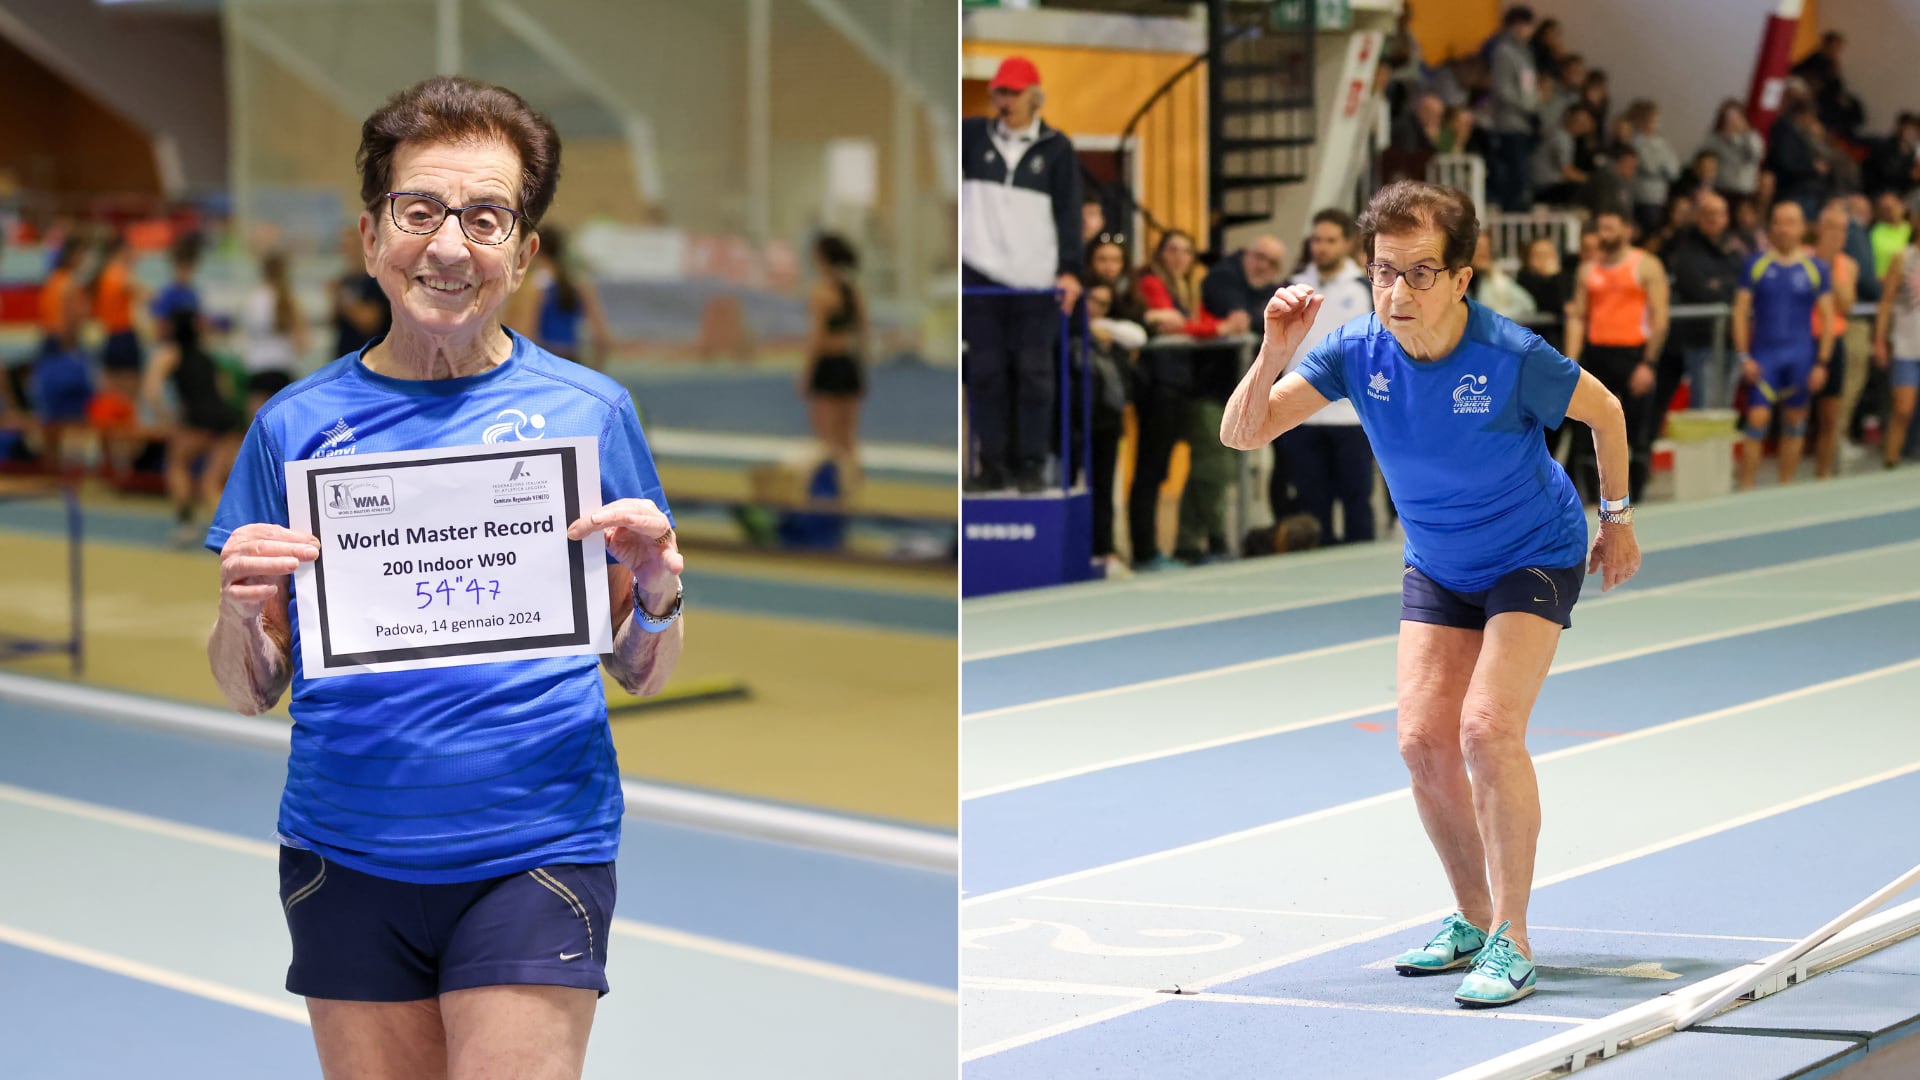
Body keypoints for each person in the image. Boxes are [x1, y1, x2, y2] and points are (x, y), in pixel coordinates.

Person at [203, 76, 684, 1080]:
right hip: (346, 847)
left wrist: (657, 592)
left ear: (523, 251)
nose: (450, 245)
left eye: (486, 216)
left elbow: (642, 671)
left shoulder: (591, 414)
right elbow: (250, 687)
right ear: (373, 236)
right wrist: (241, 613)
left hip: (537, 844)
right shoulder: (291, 430)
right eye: (420, 211)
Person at [1220, 179, 1640, 1009]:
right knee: (1421, 743)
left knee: (1486, 730)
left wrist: (1616, 520)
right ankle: (1472, 918)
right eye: (1383, 272)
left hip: (1533, 550)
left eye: (1419, 273)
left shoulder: (1511, 355)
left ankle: (1513, 941)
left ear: (1460, 278)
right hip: (1440, 562)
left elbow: (1608, 410)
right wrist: (1274, 349)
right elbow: (1245, 430)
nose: (1396, 292)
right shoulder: (1354, 350)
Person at [961, 55, 1083, 493]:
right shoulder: (971, 137)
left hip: (1035, 281)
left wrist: (1070, 271)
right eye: (999, 91)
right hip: (980, 280)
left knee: (1034, 375)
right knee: (986, 373)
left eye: (1013, 92)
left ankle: (1031, 462)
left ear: (1035, 97)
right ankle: (992, 464)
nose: (1005, 100)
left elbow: (1069, 213)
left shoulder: (1057, 148)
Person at [1282, 210, 1376, 545]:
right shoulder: (1293, 286)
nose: (1321, 247)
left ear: (1348, 243)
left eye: (1330, 241)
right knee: (1311, 503)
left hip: (1351, 414)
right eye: (1317, 240)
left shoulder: (1366, 288)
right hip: (1301, 415)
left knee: (1356, 499)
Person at [1564, 209, 1669, 504]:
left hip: (1633, 355)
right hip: (1597, 356)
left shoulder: (1646, 265)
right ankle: (1595, 501)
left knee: (1635, 432)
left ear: (1627, 230)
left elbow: (1659, 318)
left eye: (1612, 227)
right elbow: (1578, 317)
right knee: (1587, 431)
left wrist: (1648, 363)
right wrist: (1570, 362)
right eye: (1602, 228)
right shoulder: (1588, 269)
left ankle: (1633, 502)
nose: (1606, 233)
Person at [144, 233, 242, 545]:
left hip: (198, 418)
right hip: (226, 419)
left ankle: (186, 522)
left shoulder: (169, 352)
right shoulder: (207, 354)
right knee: (210, 483)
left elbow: (151, 390)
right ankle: (234, 536)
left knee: (176, 463)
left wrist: (165, 416)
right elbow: (225, 388)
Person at [1732, 201, 1836, 489]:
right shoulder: (1756, 264)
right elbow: (1740, 311)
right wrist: (1743, 357)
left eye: (1790, 222)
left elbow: (1828, 318)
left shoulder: (1816, 268)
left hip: (1801, 357)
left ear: (1803, 228)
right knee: (1756, 419)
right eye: (1778, 222)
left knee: (1795, 420)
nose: (1783, 228)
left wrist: (1822, 362)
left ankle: (1786, 488)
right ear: (1771, 227)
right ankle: (1746, 489)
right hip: (1764, 356)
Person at [1665, 191, 1747, 409]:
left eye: (1718, 213)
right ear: (1698, 218)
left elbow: (1744, 287)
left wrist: (1721, 285)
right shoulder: (1686, 251)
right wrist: (1728, 289)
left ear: (1726, 217)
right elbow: (1698, 290)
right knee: (1705, 406)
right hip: (1702, 341)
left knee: (1725, 405)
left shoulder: (1734, 250)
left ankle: (1720, 444)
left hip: (1732, 340)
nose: (1713, 219)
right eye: (1707, 214)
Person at [799, 232, 867, 489]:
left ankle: (833, 493)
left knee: (827, 438)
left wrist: (806, 372)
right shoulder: (853, 292)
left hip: (828, 365)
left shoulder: (822, 293)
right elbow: (863, 332)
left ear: (822, 260)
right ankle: (853, 487)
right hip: (849, 365)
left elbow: (817, 337)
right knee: (848, 438)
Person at [509, 223, 615, 369]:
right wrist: (597, 372)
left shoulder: (534, 285)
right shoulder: (578, 283)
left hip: (545, 362)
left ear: (534, 249)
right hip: (572, 361)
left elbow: (524, 334)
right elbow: (602, 339)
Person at [1809, 204, 1859, 478]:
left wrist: (1827, 267)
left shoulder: (1848, 265)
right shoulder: (1803, 259)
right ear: (1819, 228)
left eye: (1843, 229)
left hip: (1834, 340)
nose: (1837, 234)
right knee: (1799, 414)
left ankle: (1823, 474)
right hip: (1805, 339)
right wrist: (1819, 260)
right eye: (1832, 228)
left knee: (1831, 416)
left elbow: (1847, 304)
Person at [1871, 213, 1920, 468]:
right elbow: (1886, 301)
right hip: (1906, 344)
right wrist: (1879, 340)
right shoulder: (1902, 258)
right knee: (1903, 409)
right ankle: (1890, 460)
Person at [240, 250, 309, 416]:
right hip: (282, 370)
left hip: (259, 369)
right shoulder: (289, 300)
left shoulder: (255, 299)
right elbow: (302, 344)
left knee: (258, 433)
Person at [1486, 5, 1540, 212]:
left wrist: (1534, 108)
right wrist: (1527, 108)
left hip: (1525, 122)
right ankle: (1512, 211)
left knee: (1523, 175)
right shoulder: (1504, 52)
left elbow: (1528, 87)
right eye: (1527, 26)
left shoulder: (1525, 53)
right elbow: (1503, 89)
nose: (1530, 31)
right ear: (1515, 26)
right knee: (1514, 175)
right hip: (1510, 122)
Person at [92, 233, 147, 402]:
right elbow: (146, 295)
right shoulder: (118, 273)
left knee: (111, 396)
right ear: (123, 251)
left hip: (109, 336)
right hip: (123, 336)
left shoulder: (102, 275)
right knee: (128, 398)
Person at [332, 224, 392, 358]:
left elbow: (368, 321)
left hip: (369, 357)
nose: (346, 251)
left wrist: (342, 296)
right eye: (343, 246)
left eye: (350, 245)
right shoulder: (347, 279)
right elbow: (336, 321)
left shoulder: (375, 279)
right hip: (346, 356)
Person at [1701, 100, 1764, 202]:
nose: (1732, 122)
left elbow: (1756, 155)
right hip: (1721, 186)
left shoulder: (1752, 137)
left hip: (1743, 189)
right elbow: (1706, 157)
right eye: (1728, 118)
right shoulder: (1715, 138)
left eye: (1736, 118)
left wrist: (1745, 133)